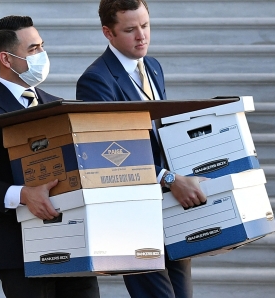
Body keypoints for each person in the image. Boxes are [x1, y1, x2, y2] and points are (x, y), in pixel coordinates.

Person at [0, 15, 100, 298]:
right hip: (21, 253)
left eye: (41, 46)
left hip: (75, 243)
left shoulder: (55, 104)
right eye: (33, 49)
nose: (42, 55)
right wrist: (25, 195)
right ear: (6, 59)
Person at [76, 1, 207, 297]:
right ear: (108, 33)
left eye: (145, 26)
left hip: (168, 208)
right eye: (130, 29)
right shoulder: (95, 80)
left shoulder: (154, 67)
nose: (142, 36)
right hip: (129, 213)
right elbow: (111, 153)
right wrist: (170, 180)